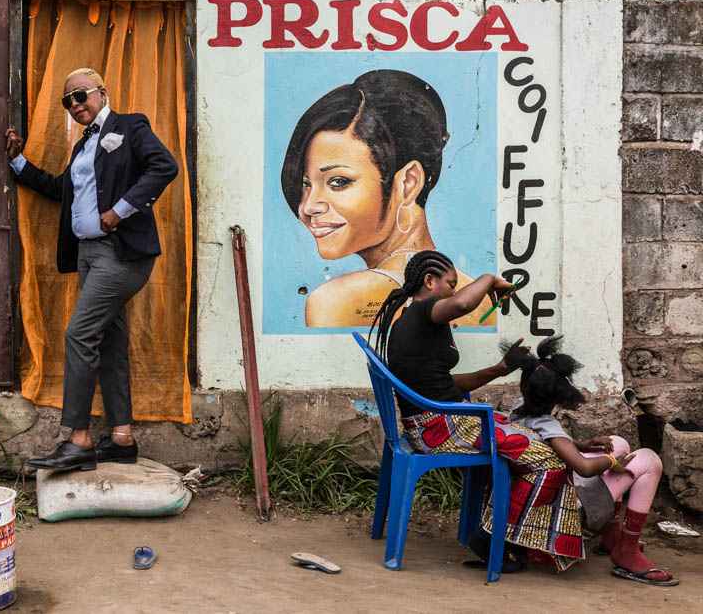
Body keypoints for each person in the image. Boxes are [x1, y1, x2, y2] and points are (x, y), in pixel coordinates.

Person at [5, 68, 178, 472]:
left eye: (81, 95)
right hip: (88, 255)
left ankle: (78, 439)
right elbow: (60, 190)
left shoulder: (129, 126)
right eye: (68, 101)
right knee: (110, 343)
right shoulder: (82, 147)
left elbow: (163, 167)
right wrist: (18, 163)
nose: (76, 104)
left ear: (101, 92)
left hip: (121, 254)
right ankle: (121, 438)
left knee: (79, 334)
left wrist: (121, 210)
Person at [370, 249, 585, 572]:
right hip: (442, 428)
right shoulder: (425, 310)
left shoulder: (411, 321)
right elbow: (461, 304)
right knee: (548, 460)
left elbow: (440, 383)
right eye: (450, 283)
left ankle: (497, 529)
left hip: (435, 421)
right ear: (429, 282)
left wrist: (497, 370)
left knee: (525, 437)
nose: (454, 292)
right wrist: (490, 280)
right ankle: (495, 537)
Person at [281, 70, 489, 328]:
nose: (309, 206)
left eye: (338, 182)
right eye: (305, 184)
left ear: (408, 182)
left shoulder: (337, 301)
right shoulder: (481, 298)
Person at [503, 336, 679, 586]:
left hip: (537, 498)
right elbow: (585, 468)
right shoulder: (548, 424)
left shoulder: (519, 410)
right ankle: (626, 551)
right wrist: (611, 461)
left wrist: (582, 445)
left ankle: (611, 535)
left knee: (617, 441)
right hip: (567, 513)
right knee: (649, 461)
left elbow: (547, 445)